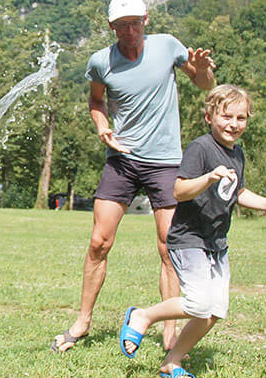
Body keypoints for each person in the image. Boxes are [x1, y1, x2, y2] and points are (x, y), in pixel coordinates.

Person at [51, 0, 216, 352]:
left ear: (145, 20)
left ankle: (170, 333)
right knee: (99, 242)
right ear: (112, 27)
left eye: (134, 23)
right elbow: (96, 102)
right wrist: (102, 126)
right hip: (122, 160)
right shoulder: (100, 62)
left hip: (166, 162)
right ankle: (82, 322)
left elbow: (203, 84)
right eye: (121, 25)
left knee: (169, 248)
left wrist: (203, 70)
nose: (129, 31)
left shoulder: (168, 46)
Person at [117, 84, 266, 377]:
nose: (233, 124)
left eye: (241, 118)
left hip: (216, 242)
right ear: (209, 117)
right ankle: (143, 315)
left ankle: (172, 362)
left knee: (214, 311)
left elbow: (238, 192)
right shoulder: (201, 148)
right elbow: (179, 189)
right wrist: (209, 178)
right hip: (189, 238)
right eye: (226, 116)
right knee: (199, 303)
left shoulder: (237, 154)